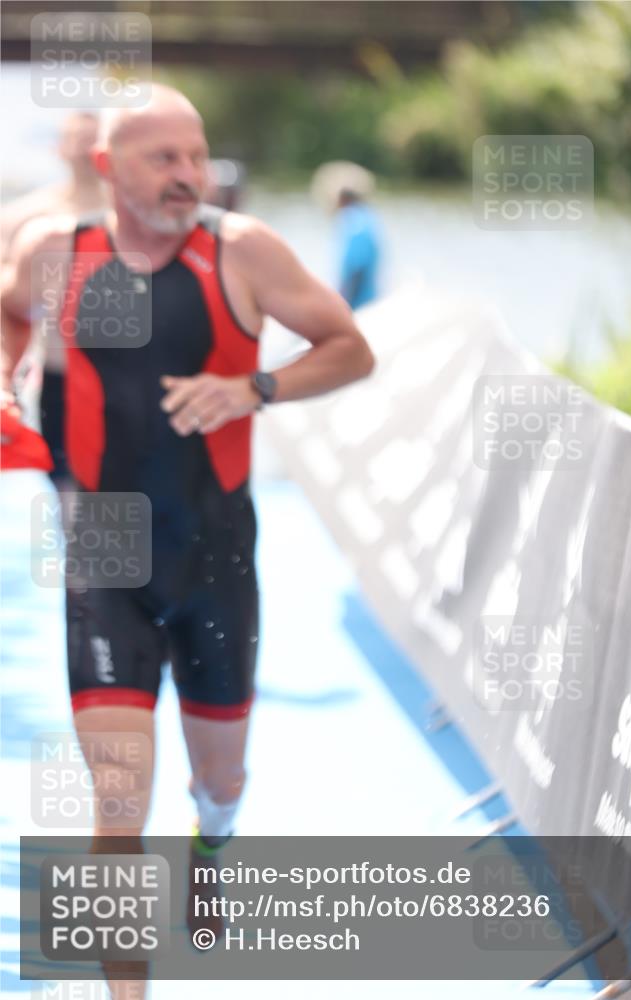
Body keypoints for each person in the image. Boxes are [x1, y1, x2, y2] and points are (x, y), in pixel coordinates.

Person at [1, 83, 374, 998]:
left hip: (215, 562)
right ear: (106, 166)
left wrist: (256, 389)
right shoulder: (55, 251)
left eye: (196, 155)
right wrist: (8, 379)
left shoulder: (240, 251)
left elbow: (349, 346)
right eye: (162, 157)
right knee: (117, 798)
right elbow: (10, 312)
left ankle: (211, 845)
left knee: (221, 779)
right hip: (105, 554)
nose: (187, 174)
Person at [1, 111, 108, 487]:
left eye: (93, 138)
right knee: (69, 495)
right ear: (60, 147)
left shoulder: (136, 216)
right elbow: (7, 306)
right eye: (77, 138)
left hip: (133, 376)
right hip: (62, 376)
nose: (84, 148)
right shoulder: (26, 219)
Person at [311, 160, 383, 309]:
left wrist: (339, 308)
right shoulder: (367, 216)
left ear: (342, 198)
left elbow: (355, 270)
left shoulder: (352, 220)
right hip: (371, 303)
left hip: (359, 308)